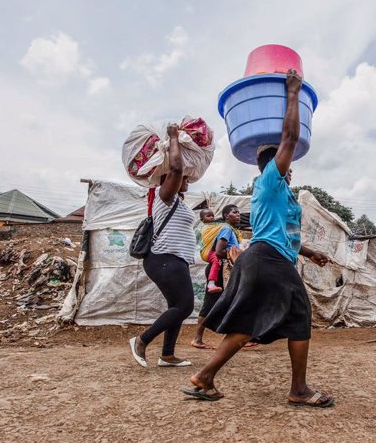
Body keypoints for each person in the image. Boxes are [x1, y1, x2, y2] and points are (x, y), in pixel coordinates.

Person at [181, 70, 335, 407]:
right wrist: (292, 93)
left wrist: (309, 254)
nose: (290, 165)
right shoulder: (269, 180)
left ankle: (204, 377)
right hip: (268, 261)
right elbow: (291, 137)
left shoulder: (279, 194)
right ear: (274, 161)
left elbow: (278, 233)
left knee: (272, 320)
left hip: (266, 257)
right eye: (284, 159)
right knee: (294, 318)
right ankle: (297, 390)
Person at [129, 123, 196, 368]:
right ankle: (141, 340)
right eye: (181, 175)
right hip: (164, 258)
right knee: (184, 306)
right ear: (168, 177)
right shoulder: (163, 195)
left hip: (173, 259)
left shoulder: (177, 201)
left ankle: (167, 354)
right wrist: (173, 137)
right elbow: (177, 167)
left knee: (176, 306)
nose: (186, 176)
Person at [191, 205, 242, 349]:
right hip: (220, 269)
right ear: (226, 216)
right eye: (234, 212)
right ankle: (197, 339)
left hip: (224, 269)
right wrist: (236, 255)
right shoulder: (226, 229)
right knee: (210, 303)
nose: (238, 215)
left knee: (234, 301)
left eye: (238, 212)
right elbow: (219, 251)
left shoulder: (232, 231)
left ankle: (238, 337)